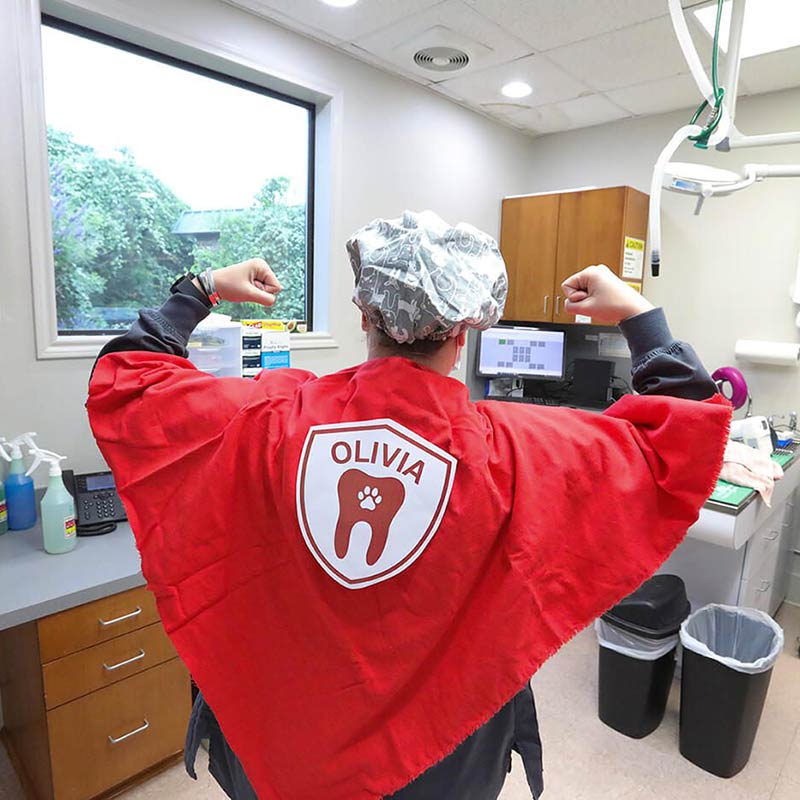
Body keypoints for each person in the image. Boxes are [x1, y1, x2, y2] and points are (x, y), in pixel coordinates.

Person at [87, 211, 730, 800]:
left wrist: (200, 288)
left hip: (280, 746)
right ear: (463, 328)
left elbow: (131, 381)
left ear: (365, 316)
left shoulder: (265, 420)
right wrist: (637, 312)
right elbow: (678, 439)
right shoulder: (514, 452)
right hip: (443, 759)